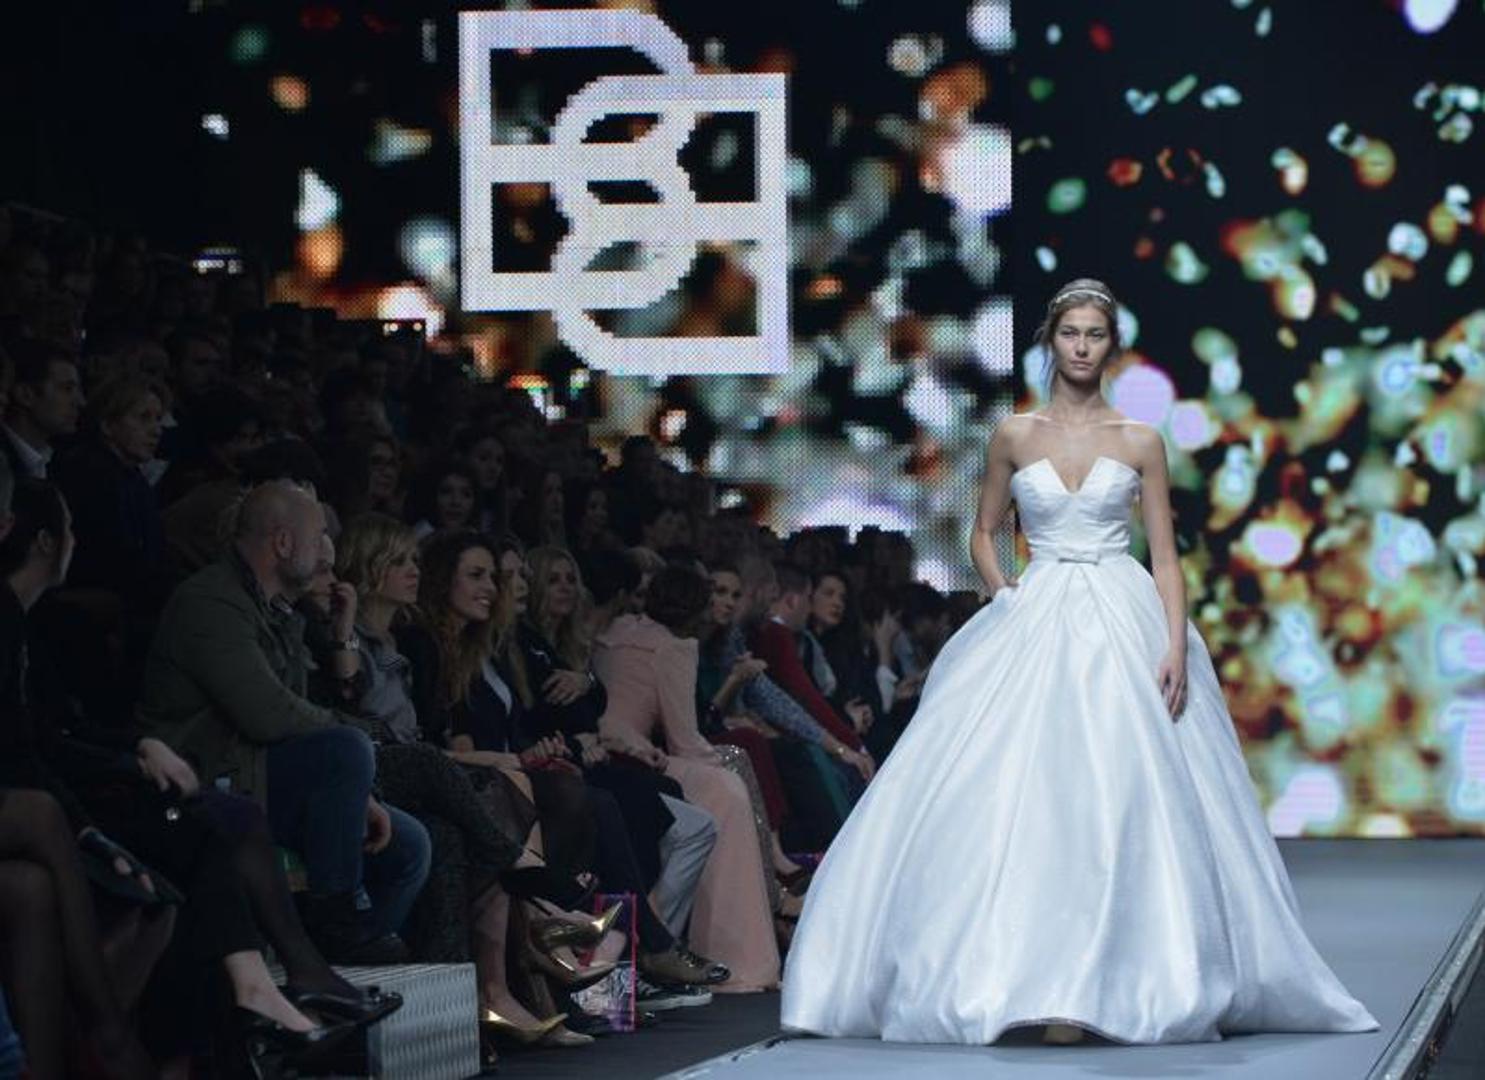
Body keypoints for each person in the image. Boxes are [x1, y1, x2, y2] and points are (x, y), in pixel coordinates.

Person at [780, 278, 1380, 1045]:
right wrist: (1004, 593)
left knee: (1124, 788)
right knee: (1015, 788)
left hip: (1122, 613)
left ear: (1110, 345)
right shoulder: (1013, 435)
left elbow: (1165, 558)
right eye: (1071, 334)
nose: (1082, 347)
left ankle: (1117, 976)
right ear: (1050, 341)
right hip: (1034, 614)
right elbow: (983, 532)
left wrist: (1173, 642)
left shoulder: (1138, 441)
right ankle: (1015, 974)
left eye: (1095, 334)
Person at [138, 479, 431, 964]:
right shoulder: (211, 601)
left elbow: (301, 717)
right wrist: (353, 739)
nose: (326, 551)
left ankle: (337, 964)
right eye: (319, 537)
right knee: (347, 746)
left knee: (410, 847)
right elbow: (269, 714)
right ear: (282, 543)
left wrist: (358, 792)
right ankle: (335, 921)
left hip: (259, 773)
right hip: (209, 778)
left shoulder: (280, 612)